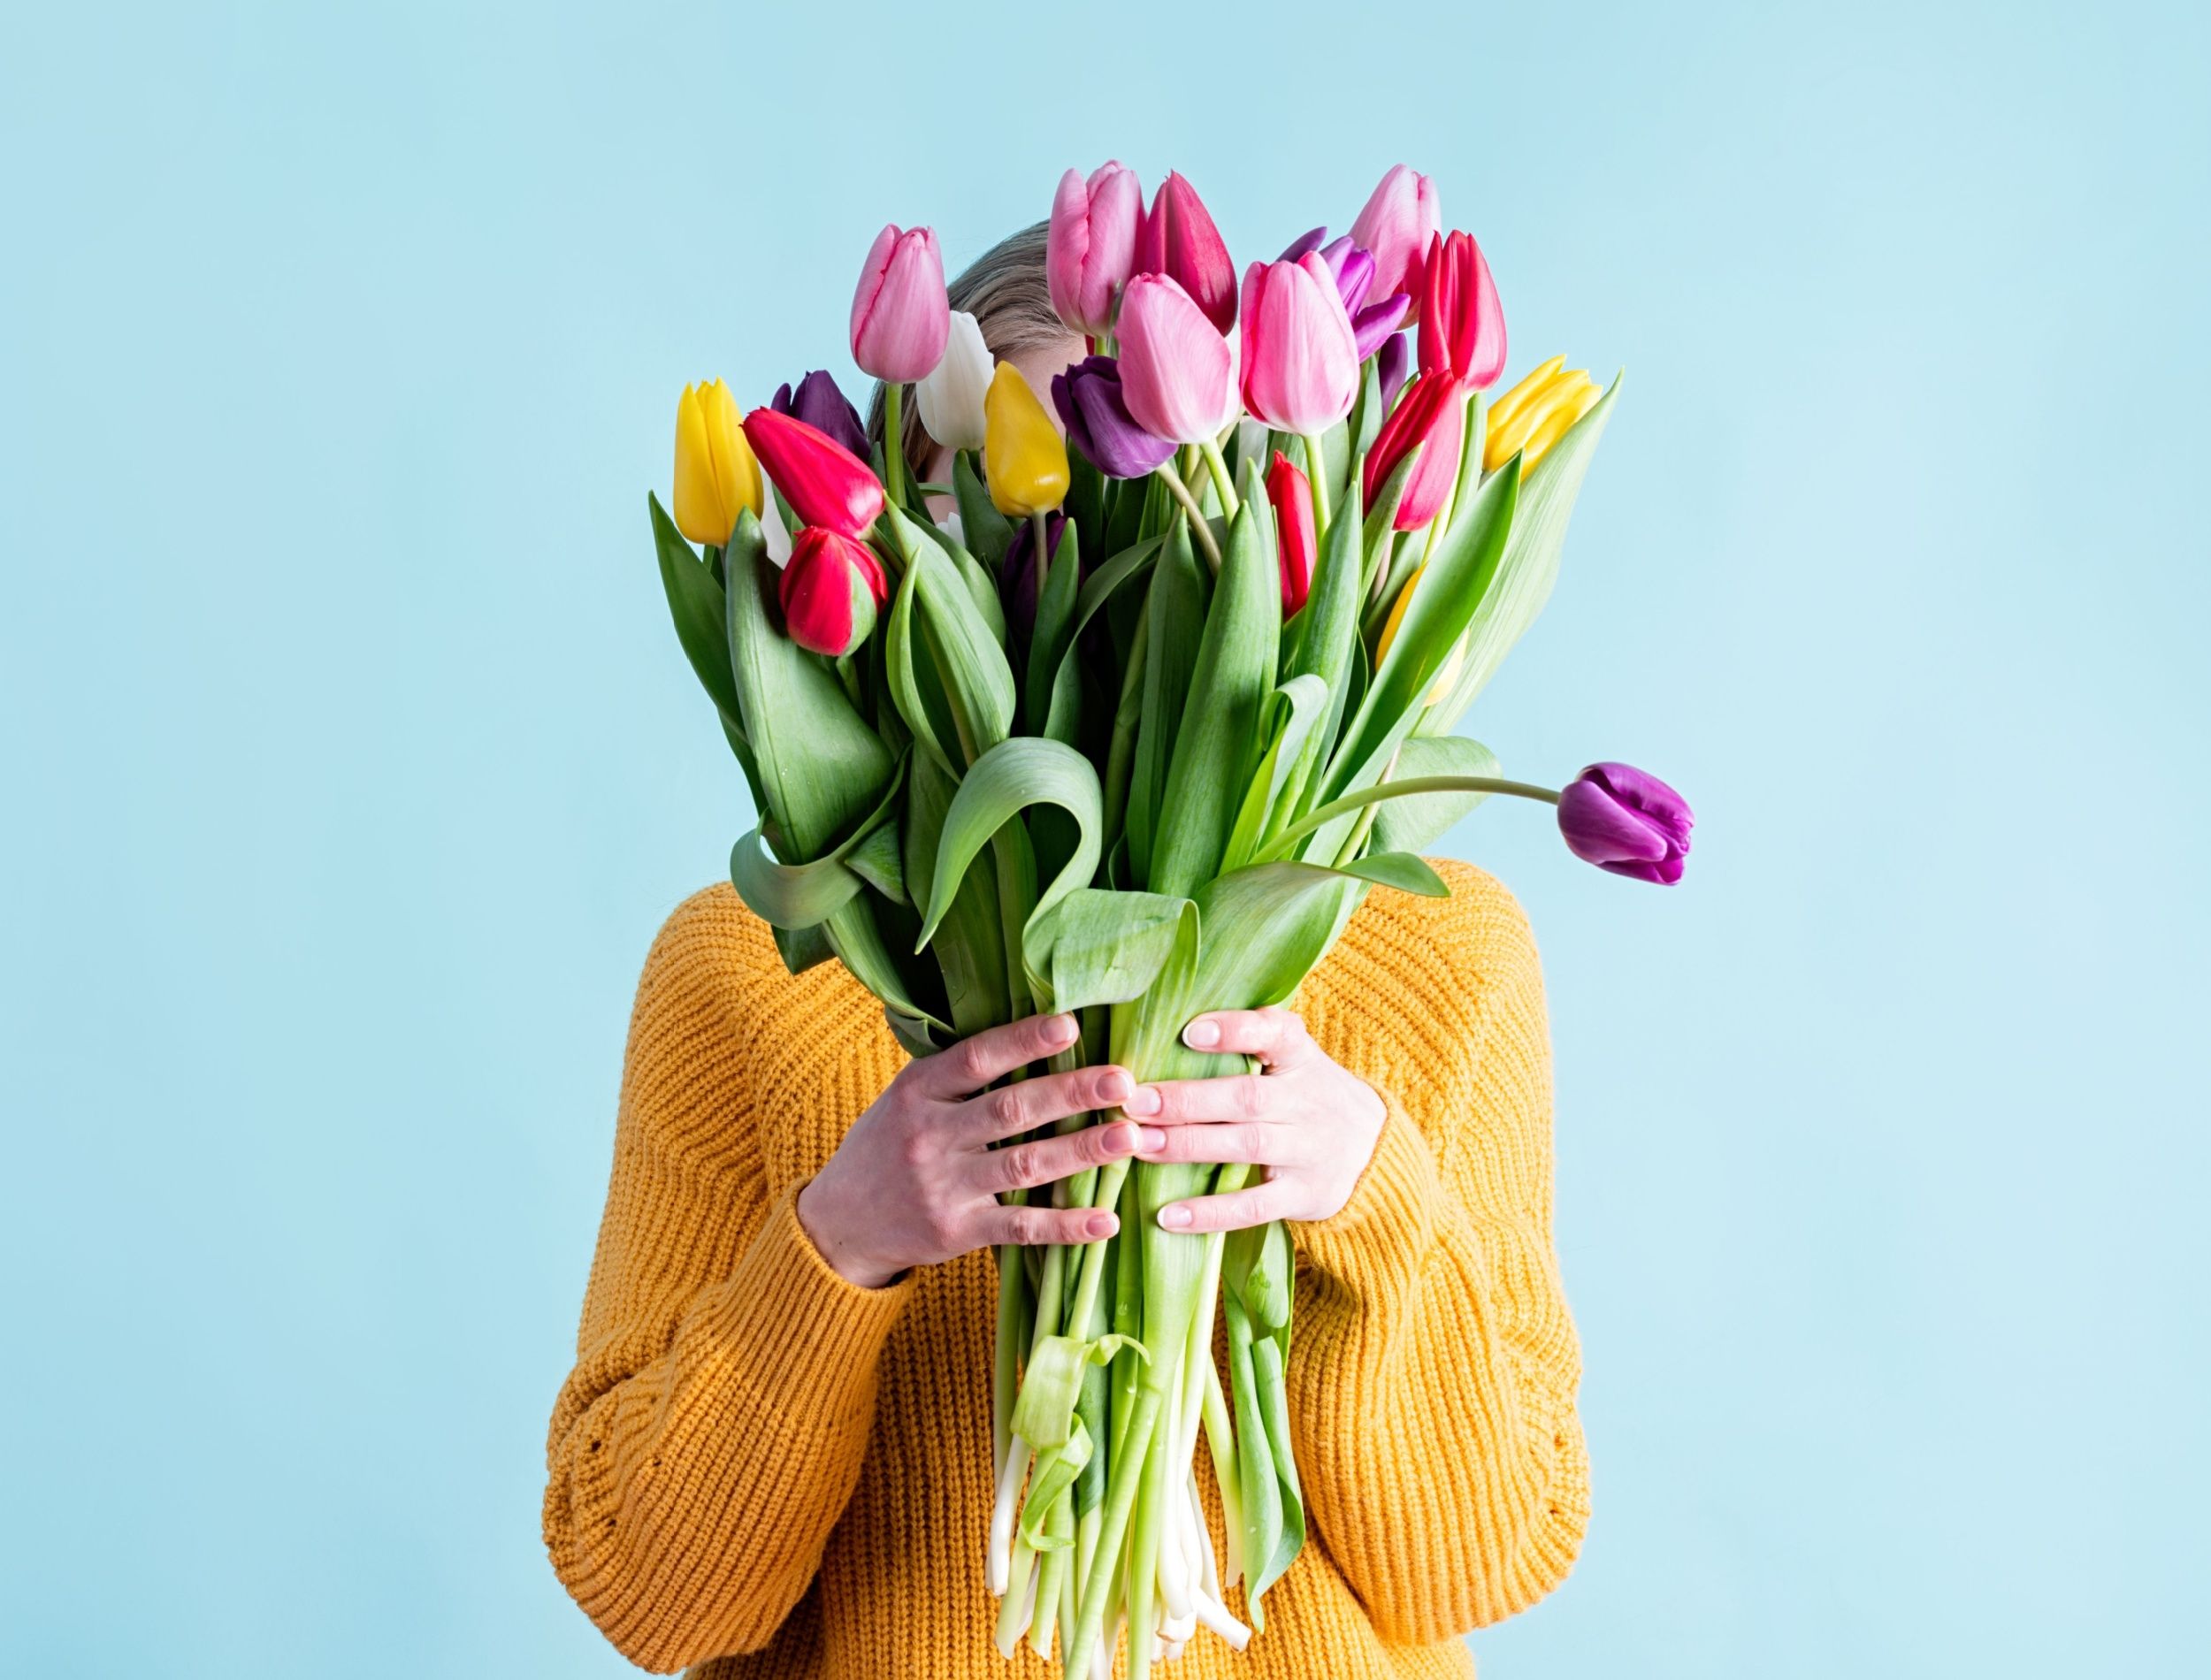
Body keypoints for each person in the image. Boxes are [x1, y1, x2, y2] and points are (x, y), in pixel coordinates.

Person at [542, 224, 1588, 1678]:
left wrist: (1376, 1202)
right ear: (911, 546)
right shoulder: (749, 966)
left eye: (1137, 524)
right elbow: (648, 1598)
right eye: (1007, 517)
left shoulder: (1439, 950)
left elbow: (1499, 1549)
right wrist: (842, 1241)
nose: (1081, 585)